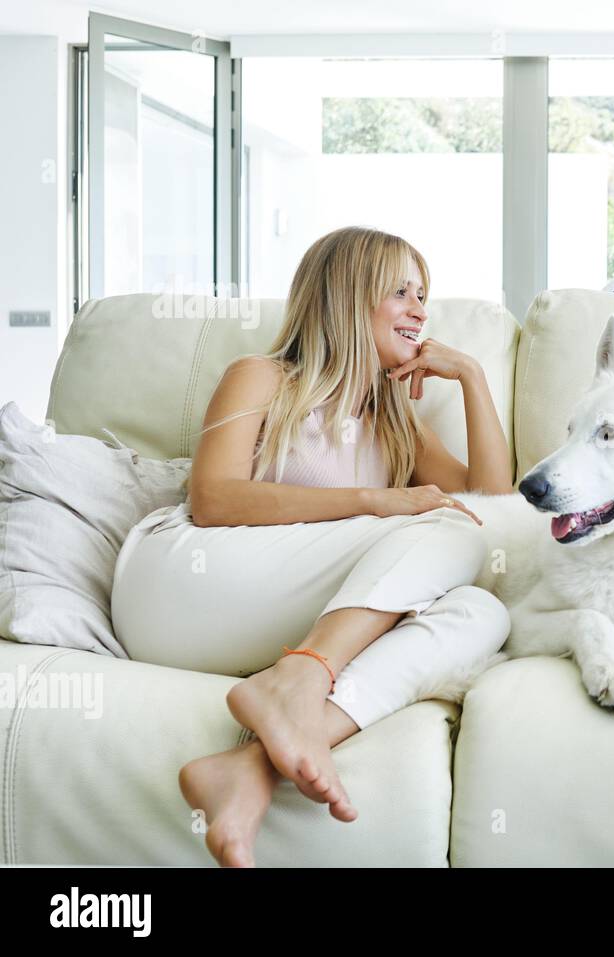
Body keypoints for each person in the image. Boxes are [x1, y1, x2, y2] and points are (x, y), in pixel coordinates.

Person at [111, 226, 515, 867]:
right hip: (175, 586)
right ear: (349, 297)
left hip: (266, 620)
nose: (419, 309)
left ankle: (251, 766)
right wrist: (374, 502)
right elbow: (215, 498)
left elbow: (495, 511)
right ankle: (296, 683)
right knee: (445, 527)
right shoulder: (263, 377)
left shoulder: (395, 423)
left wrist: (469, 376)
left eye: (423, 295)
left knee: (484, 611)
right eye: (400, 291)